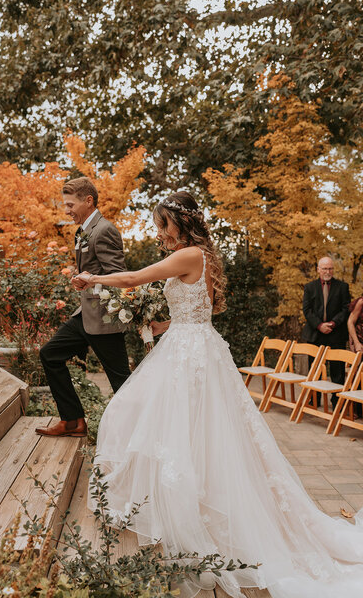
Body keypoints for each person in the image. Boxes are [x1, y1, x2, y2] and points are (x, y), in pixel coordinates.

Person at [75, 191, 363, 598]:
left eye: (163, 224)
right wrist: (156, 326)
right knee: (183, 427)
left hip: (191, 356)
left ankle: (196, 516)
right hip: (191, 346)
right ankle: (189, 507)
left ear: (180, 221)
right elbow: (191, 313)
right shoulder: (201, 256)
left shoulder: (190, 255)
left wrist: (92, 278)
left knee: (154, 418)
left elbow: (134, 277)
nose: (161, 232)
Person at [35, 177, 131, 438]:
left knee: (122, 383)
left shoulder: (104, 230)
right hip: (84, 315)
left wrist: (90, 279)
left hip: (104, 320)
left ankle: (140, 433)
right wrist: (82, 278)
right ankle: (72, 421)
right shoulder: (83, 231)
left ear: (88, 201)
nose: (66, 211)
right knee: (50, 354)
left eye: (70, 204)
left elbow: (119, 276)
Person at [301, 257, 350, 408]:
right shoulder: (310, 287)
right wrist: (319, 325)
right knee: (314, 369)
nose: (327, 271)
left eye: (330, 268)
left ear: (333, 269)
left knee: (338, 371)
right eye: (324, 268)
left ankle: (337, 403)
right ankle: (314, 401)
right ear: (318, 269)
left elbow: (346, 309)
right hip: (316, 335)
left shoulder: (342, 287)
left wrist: (333, 323)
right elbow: (307, 310)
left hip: (336, 335)